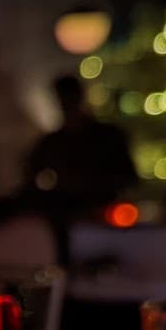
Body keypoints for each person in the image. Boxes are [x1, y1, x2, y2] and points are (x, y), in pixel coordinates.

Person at [23, 75, 136, 259]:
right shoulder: (51, 144)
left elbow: (128, 176)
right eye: (63, 99)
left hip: (106, 217)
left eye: (70, 98)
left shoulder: (107, 137)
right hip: (67, 221)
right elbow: (30, 179)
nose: (67, 104)